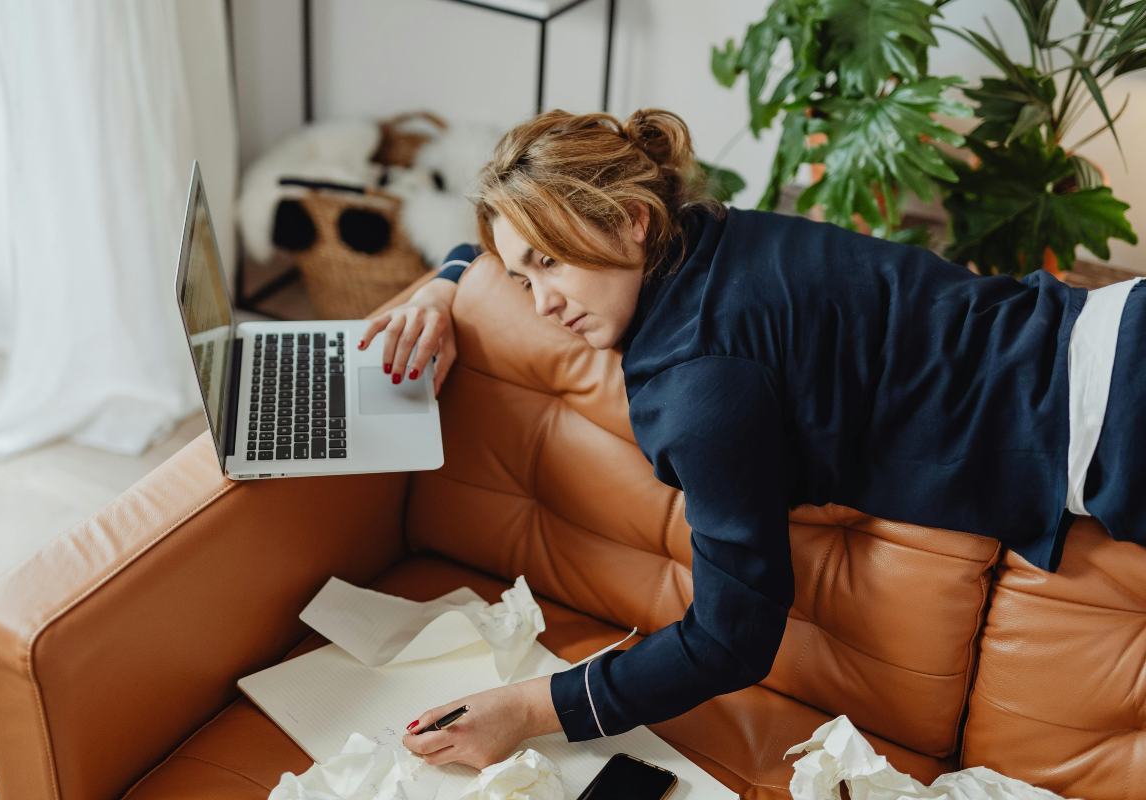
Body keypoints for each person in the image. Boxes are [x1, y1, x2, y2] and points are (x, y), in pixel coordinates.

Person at [354, 107, 1146, 770]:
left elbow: (732, 639)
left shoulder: (701, 384)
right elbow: (517, 232)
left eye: (551, 263)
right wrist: (445, 282)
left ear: (630, 223)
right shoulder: (700, 231)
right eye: (524, 277)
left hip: (1117, 423)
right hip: (1109, 330)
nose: (540, 303)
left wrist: (532, 706)